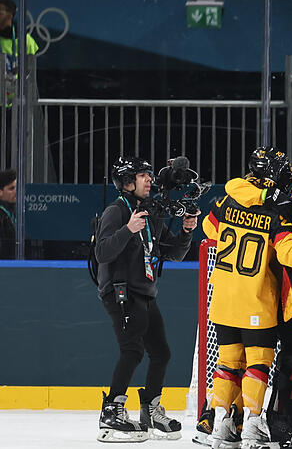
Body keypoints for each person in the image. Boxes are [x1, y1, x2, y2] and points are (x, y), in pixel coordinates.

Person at [201, 147, 292, 449]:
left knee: (227, 362)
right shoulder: (276, 213)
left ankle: (221, 423)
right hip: (256, 298)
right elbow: (287, 250)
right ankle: (252, 424)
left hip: (222, 297)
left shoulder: (230, 197)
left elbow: (209, 227)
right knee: (258, 364)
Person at [95, 156, 195, 443]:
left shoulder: (148, 212)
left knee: (161, 353)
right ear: (127, 182)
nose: (149, 180)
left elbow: (173, 253)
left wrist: (187, 231)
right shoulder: (116, 211)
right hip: (121, 292)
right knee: (133, 351)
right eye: (142, 176)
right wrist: (128, 229)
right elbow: (102, 253)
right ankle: (111, 411)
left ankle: (150, 411)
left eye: (149, 175)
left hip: (144, 292)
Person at [0, 168, 16, 259]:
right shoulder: (2, 215)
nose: (16, 191)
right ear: (0, 192)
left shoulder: (14, 211)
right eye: (11, 188)